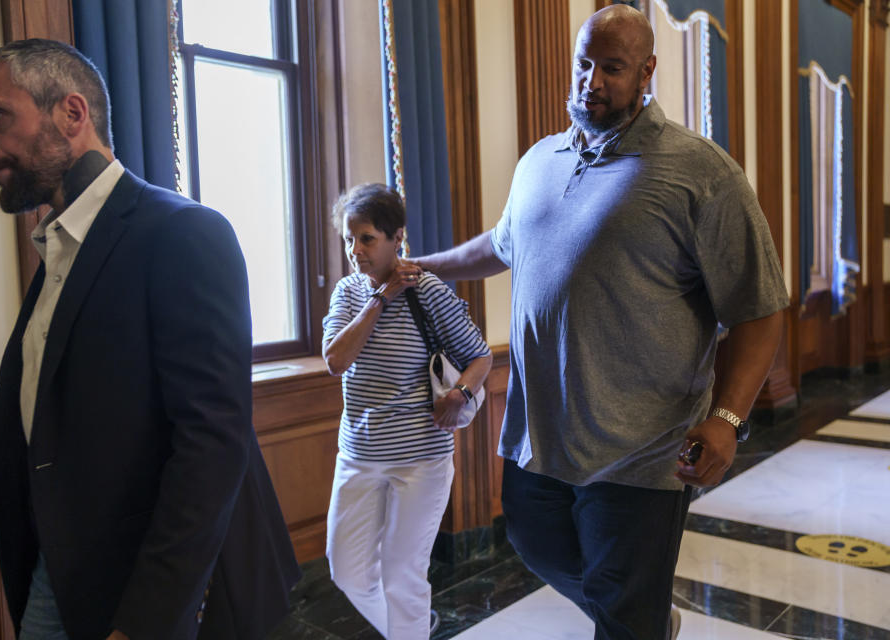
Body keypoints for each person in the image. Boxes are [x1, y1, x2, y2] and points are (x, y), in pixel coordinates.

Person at [413, 5, 789, 640]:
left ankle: (634, 619)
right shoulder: (540, 161)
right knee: (535, 545)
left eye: (612, 68)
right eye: (584, 63)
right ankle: (640, 618)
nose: (592, 80)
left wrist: (727, 420)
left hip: (642, 450)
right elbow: (500, 245)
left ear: (647, 72)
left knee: (622, 605)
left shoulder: (702, 172)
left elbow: (760, 307)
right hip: (540, 436)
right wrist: (424, 266)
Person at [0, 39, 300, 640]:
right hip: (59, 577)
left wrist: (146, 622)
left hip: (146, 596)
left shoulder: (184, 234)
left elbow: (211, 444)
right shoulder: (59, 249)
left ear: (72, 113)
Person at [321, 184, 492, 639]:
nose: (355, 250)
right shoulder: (348, 293)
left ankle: (409, 631)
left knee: (403, 577)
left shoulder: (428, 291)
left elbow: (481, 357)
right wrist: (380, 298)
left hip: (421, 459)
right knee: (348, 573)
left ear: (397, 236)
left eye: (366, 238)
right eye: (349, 239)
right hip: (358, 455)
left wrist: (460, 393)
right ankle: (407, 631)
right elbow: (336, 360)